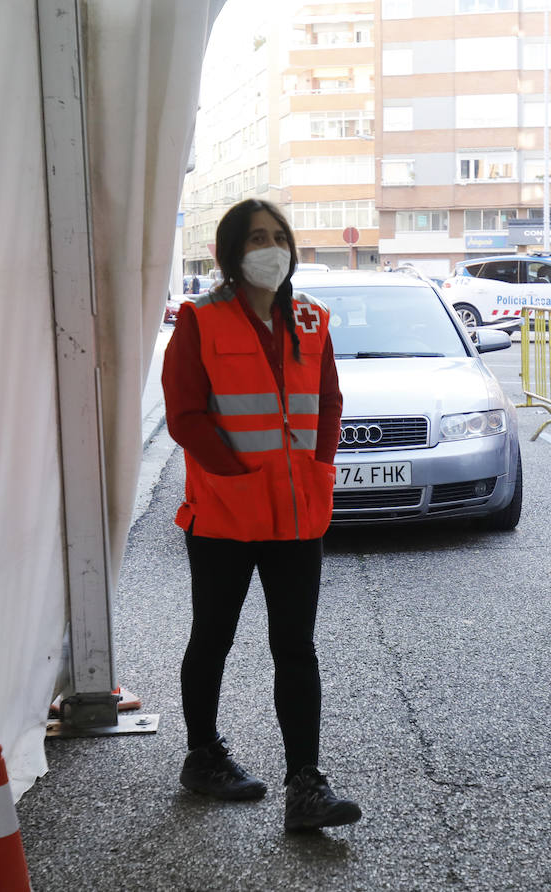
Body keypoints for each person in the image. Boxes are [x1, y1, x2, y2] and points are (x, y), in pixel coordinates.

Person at [161, 198, 362, 832]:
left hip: (298, 515)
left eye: (279, 237)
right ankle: (204, 756)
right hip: (224, 513)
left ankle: (305, 783)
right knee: (213, 637)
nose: (270, 247)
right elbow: (185, 415)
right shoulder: (201, 319)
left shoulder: (312, 316)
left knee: (296, 648)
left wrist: (320, 465)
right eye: (256, 238)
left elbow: (329, 400)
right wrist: (235, 473)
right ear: (229, 252)